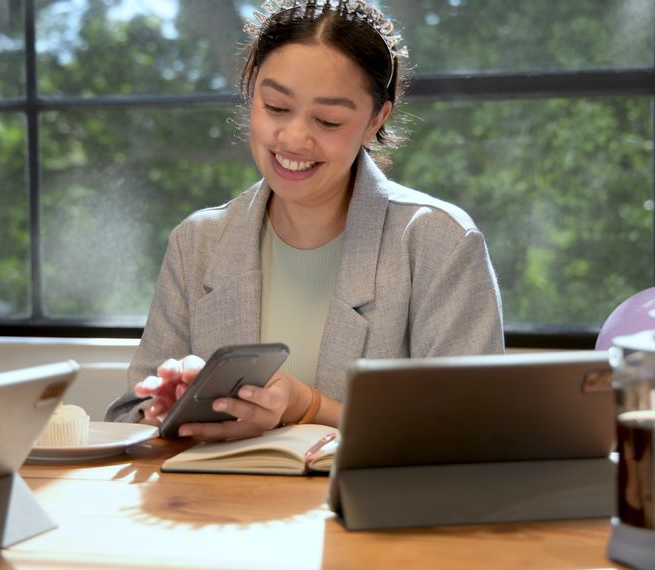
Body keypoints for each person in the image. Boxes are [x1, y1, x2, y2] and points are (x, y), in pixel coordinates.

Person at [105, 0, 504, 440]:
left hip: (358, 508)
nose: (294, 138)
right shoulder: (197, 242)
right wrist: (167, 409)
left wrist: (306, 406)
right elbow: (128, 417)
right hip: (213, 505)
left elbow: (470, 431)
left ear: (376, 119)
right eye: (275, 106)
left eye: (328, 120)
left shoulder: (438, 243)